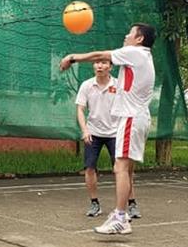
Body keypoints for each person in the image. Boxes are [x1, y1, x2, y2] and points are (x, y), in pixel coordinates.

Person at [60, 23, 156, 235]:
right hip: (135, 118)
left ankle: (120, 217)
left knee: (120, 167)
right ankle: (121, 215)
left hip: (131, 118)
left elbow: (100, 55)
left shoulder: (135, 52)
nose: (126, 35)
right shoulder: (143, 57)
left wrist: (72, 57)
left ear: (139, 39)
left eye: (130, 33)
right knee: (123, 168)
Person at [74, 59, 141, 219]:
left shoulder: (118, 85)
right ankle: (94, 203)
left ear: (110, 67)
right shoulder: (87, 85)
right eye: (97, 63)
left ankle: (131, 204)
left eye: (104, 63)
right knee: (89, 168)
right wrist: (85, 130)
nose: (99, 66)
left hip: (116, 133)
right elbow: (80, 110)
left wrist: (127, 130)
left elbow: (129, 107)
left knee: (123, 170)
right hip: (93, 133)